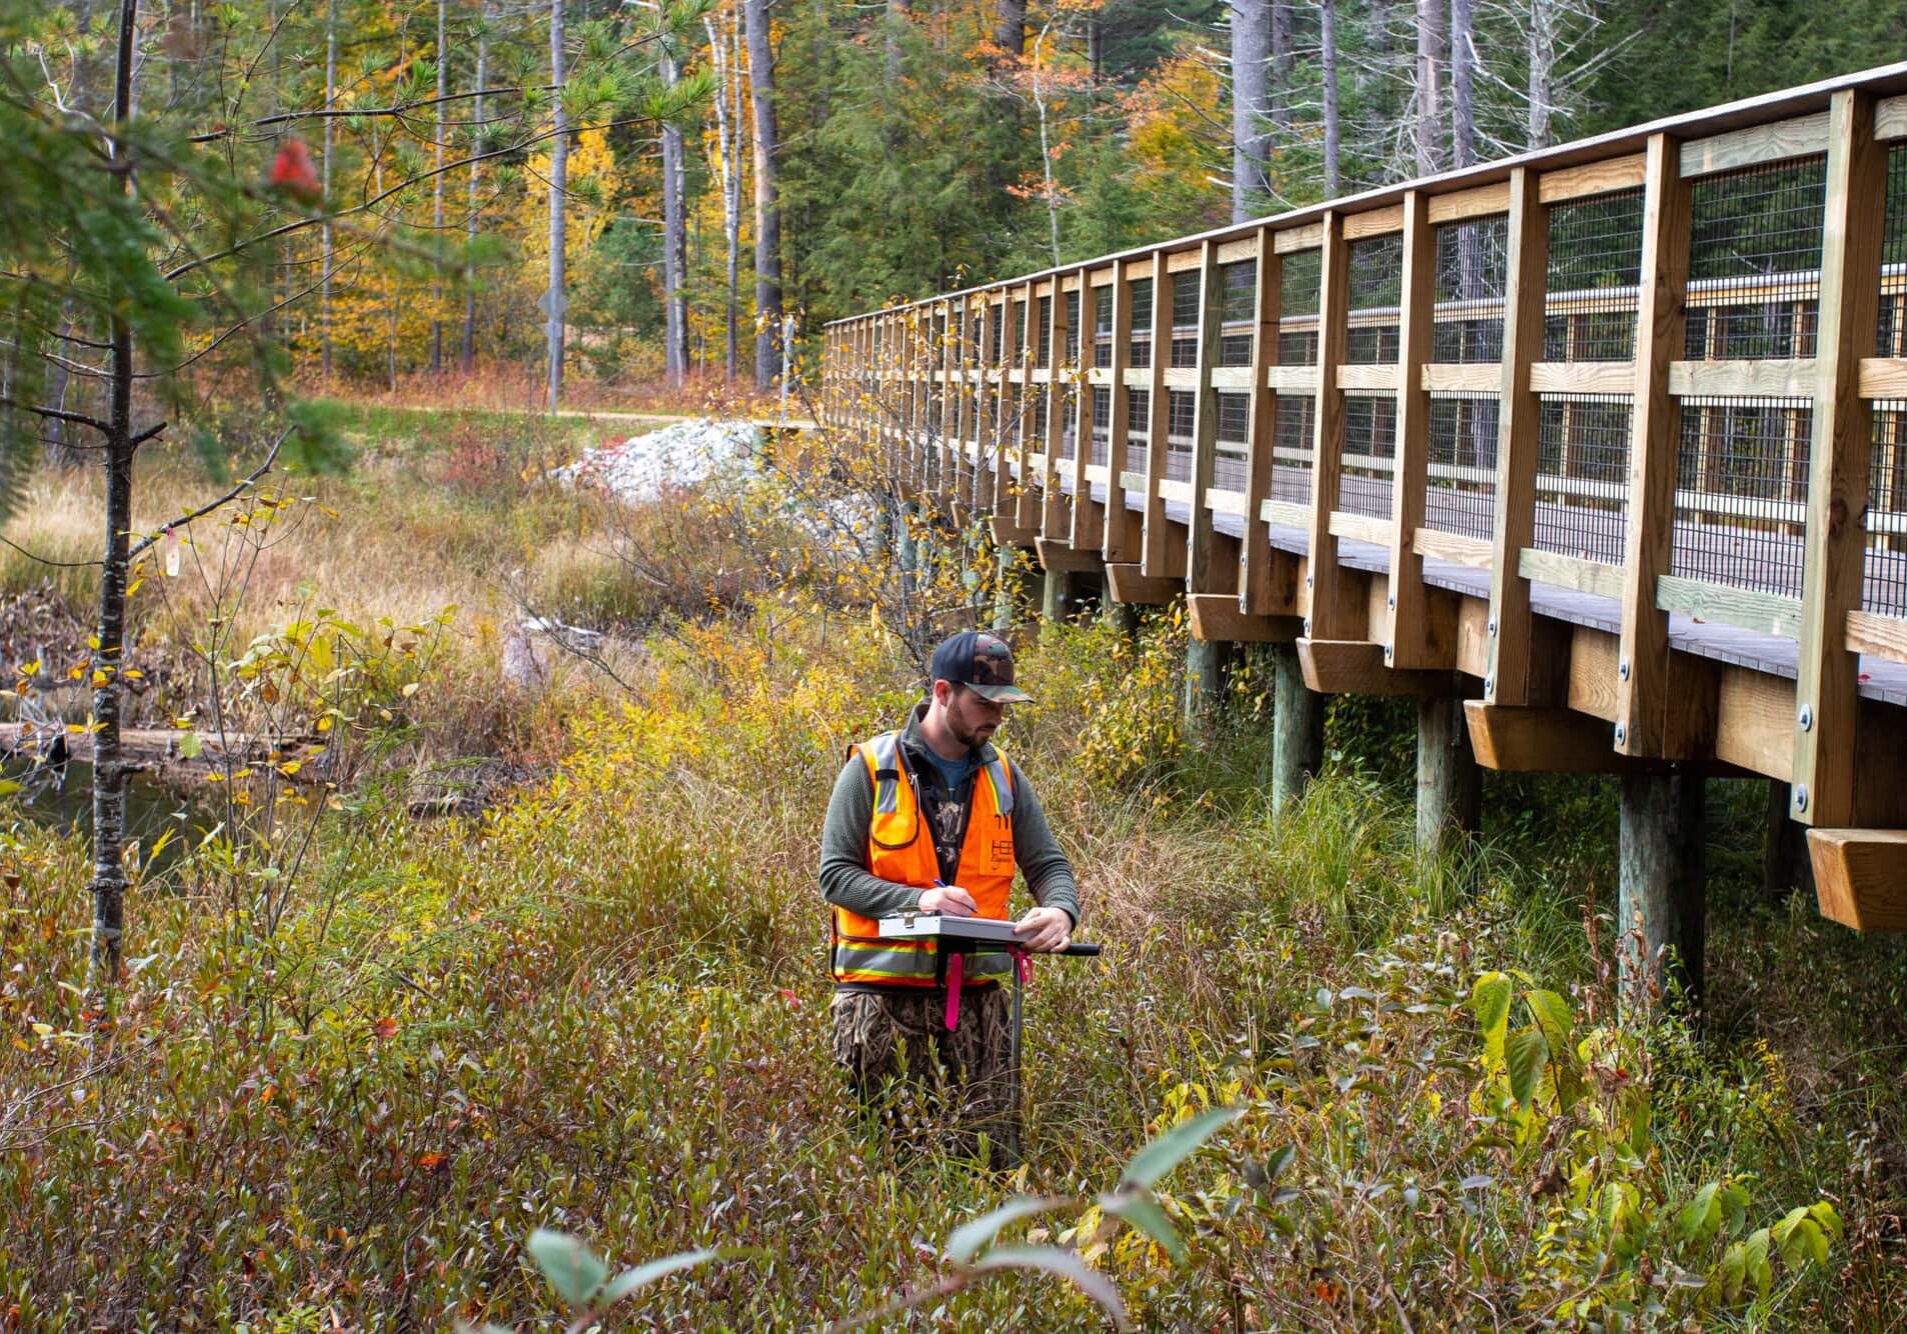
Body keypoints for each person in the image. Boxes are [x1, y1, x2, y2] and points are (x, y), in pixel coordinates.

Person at [819, 630, 1079, 1148]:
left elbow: (1048, 863)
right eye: (984, 703)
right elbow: (835, 875)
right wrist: (918, 900)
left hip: (981, 1013)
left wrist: (1060, 911)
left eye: (1004, 705)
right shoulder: (870, 769)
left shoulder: (1005, 774)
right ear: (942, 692)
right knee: (886, 1173)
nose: (997, 717)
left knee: (986, 1166)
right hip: (880, 1010)